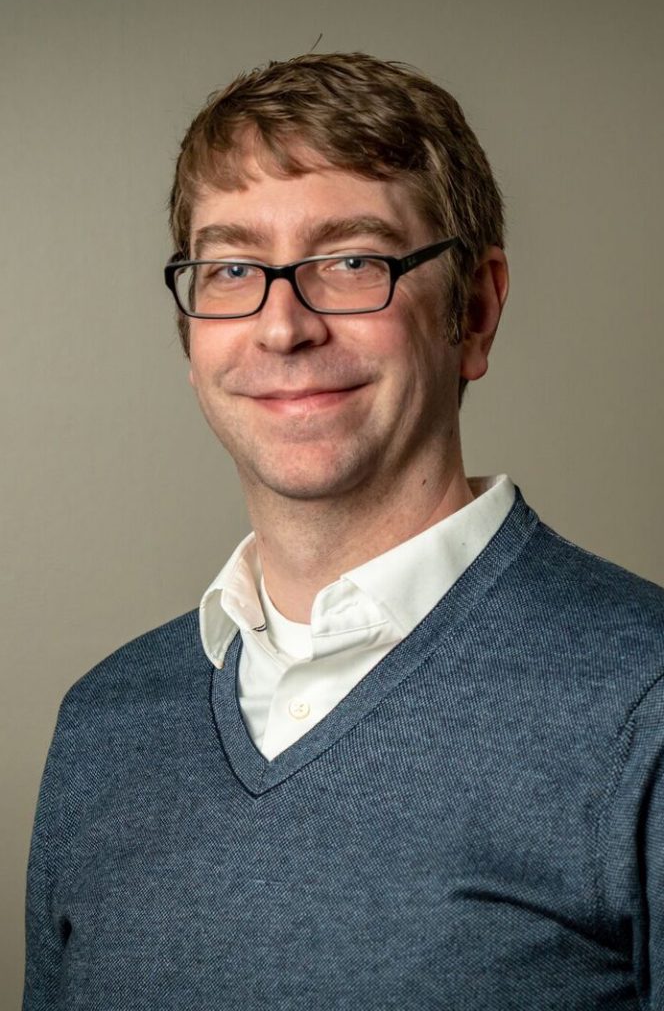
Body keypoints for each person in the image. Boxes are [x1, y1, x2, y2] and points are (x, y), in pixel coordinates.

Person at [24, 52, 664, 1010]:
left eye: (352, 260)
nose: (283, 326)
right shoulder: (104, 725)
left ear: (476, 312)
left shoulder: (643, 703)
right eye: (233, 268)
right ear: (191, 341)